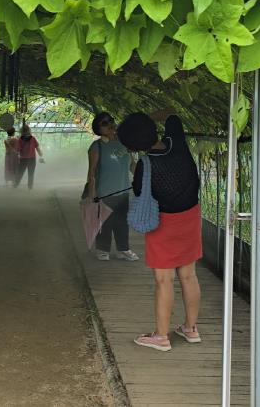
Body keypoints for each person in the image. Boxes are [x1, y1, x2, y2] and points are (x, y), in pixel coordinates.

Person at [116, 111, 202, 352]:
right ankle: (191, 329)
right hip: (190, 216)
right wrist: (146, 119)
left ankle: (161, 336)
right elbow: (173, 117)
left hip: (162, 222)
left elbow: (140, 192)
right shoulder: (177, 141)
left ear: (133, 147)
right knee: (189, 275)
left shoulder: (145, 165)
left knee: (164, 280)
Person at [86, 112, 139, 261]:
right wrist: (92, 193)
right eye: (104, 123)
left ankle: (123, 249)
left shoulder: (124, 143)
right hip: (104, 192)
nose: (109, 124)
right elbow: (92, 171)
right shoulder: (97, 146)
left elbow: (131, 165)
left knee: (122, 222)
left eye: (110, 120)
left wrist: (143, 177)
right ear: (98, 129)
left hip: (122, 190)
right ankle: (102, 249)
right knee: (105, 222)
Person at [15, 124, 43, 190]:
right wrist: (41, 155)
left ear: (21, 131)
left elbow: (17, 150)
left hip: (23, 159)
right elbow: (37, 148)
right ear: (29, 130)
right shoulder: (33, 138)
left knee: (20, 173)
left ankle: (15, 185)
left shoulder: (20, 139)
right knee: (31, 173)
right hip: (32, 159)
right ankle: (30, 188)